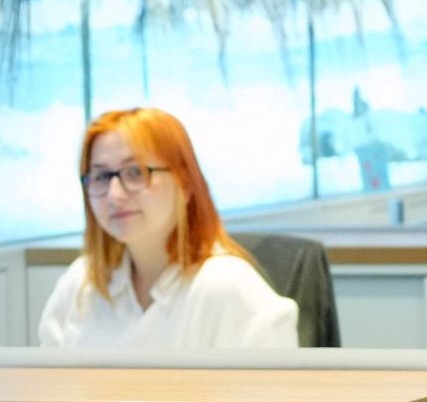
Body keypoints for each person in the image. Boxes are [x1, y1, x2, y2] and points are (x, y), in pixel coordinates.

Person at [36, 106, 300, 348]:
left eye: (135, 172)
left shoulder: (228, 287)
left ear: (185, 183)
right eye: (101, 176)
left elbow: (278, 385)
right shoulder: (81, 283)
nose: (114, 195)